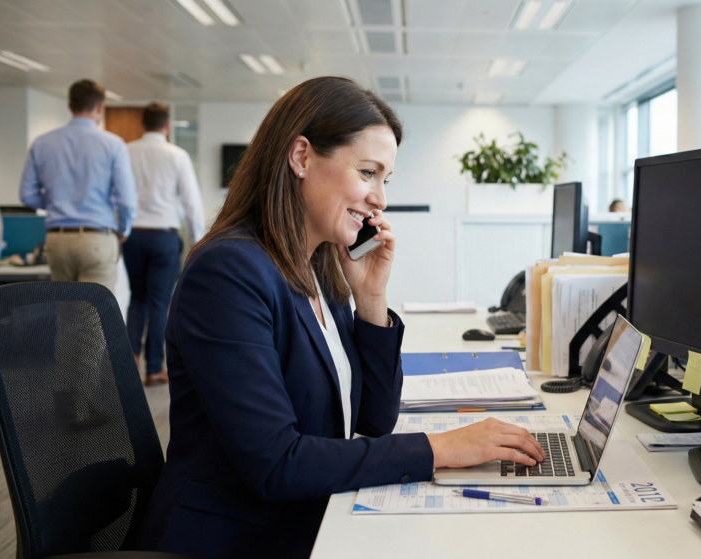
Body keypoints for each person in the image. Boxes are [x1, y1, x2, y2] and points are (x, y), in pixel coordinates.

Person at [137, 77, 546, 558]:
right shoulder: (228, 273)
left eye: (385, 180)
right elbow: (276, 463)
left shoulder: (318, 267)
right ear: (302, 157)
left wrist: (370, 297)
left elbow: (374, 421)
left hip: (307, 516)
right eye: (368, 172)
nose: (381, 199)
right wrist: (441, 448)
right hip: (237, 538)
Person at [19, 79, 136, 292]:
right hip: (97, 239)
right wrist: (124, 229)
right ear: (100, 107)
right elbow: (126, 199)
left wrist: (57, 202)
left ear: (70, 106)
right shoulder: (112, 144)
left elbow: (27, 195)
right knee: (95, 314)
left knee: (66, 311)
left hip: (57, 241)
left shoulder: (42, 143)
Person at [124, 102, 206, 386]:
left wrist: (120, 229)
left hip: (132, 235)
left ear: (142, 123)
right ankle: (155, 368)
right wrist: (198, 240)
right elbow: (191, 202)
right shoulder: (177, 155)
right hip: (163, 237)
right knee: (160, 303)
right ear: (167, 125)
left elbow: (117, 195)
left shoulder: (127, 151)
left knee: (138, 297)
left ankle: (130, 358)